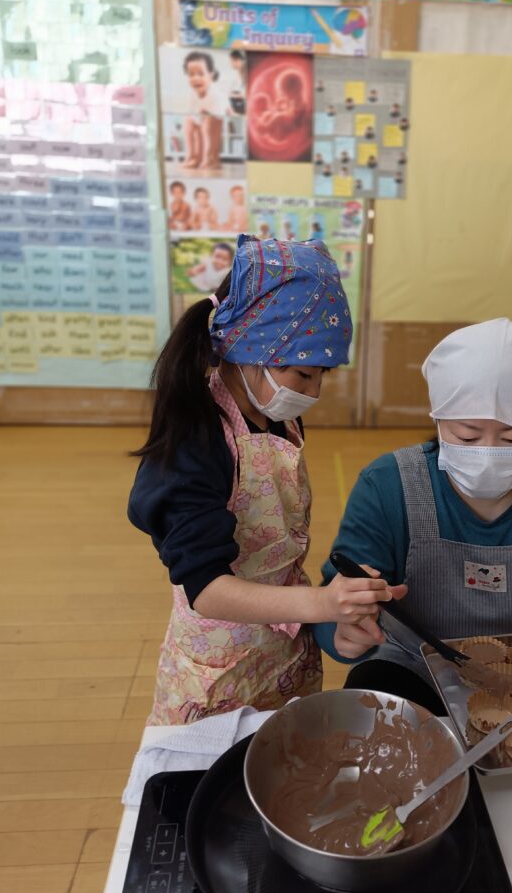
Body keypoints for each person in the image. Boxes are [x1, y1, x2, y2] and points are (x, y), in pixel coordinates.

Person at [129, 235, 402, 725]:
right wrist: (321, 602)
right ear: (249, 350)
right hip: (219, 661)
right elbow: (207, 588)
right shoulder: (196, 442)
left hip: (283, 644)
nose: (313, 392)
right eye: (302, 374)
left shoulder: (276, 414)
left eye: (322, 375)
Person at [312, 319, 512, 715]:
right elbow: (335, 602)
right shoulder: (387, 486)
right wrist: (343, 632)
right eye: (467, 436)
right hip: (410, 666)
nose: (489, 452)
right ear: (438, 420)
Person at [182, 51, 227, 171]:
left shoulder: (215, 94)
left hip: (214, 119)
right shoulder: (192, 94)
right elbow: (192, 112)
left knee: (208, 123)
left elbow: (219, 112)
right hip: (201, 118)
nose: (196, 78)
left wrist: (204, 115)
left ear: (211, 76)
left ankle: (210, 158)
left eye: (201, 74)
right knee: (188, 122)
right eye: (191, 74)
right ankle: (193, 156)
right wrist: (194, 119)